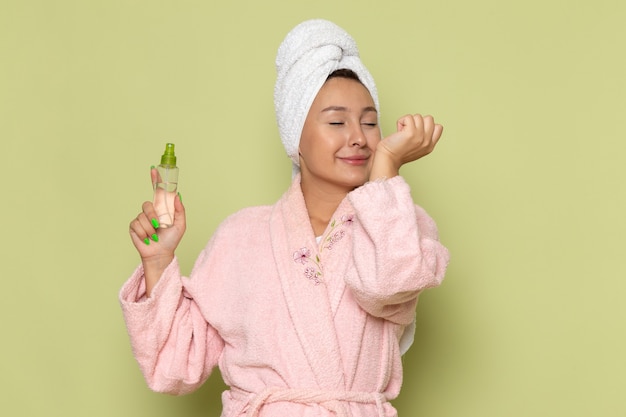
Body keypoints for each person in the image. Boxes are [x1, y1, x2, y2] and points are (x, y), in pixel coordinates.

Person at [120, 19, 449, 417]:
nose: (359, 137)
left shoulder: (399, 224)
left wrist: (387, 170)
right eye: (336, 121)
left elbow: (386, 284)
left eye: (369, 121)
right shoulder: (241, 236)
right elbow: (174, 368)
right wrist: (158, 263)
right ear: (296, 136)